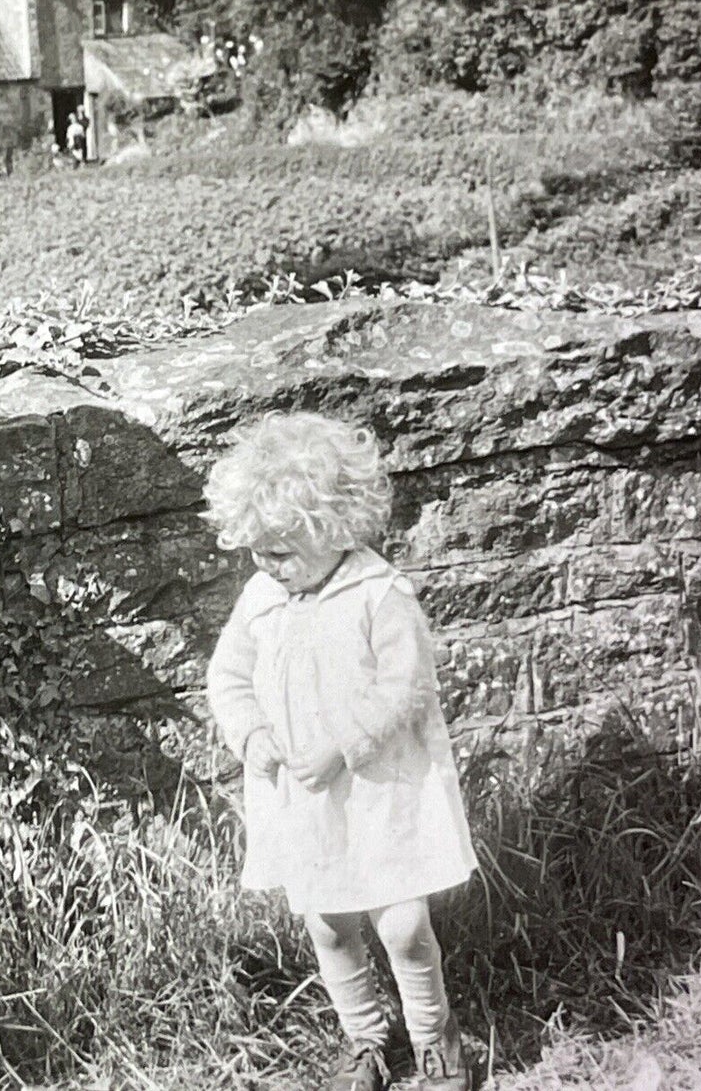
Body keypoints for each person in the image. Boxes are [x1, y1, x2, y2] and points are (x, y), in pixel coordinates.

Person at [203, 412, 477, 1091]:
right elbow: (226, 676)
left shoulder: (377, 593)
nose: (267, 563)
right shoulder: (261, 598)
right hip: (305, 799)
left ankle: (433, 1034)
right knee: (328, 922)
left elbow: (405, 686)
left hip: (380, 788)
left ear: (334, 526)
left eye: (283, 548)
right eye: (258, 549)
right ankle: (363, 1037)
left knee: (404, 922)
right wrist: (252, 732)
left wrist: (344, 745)